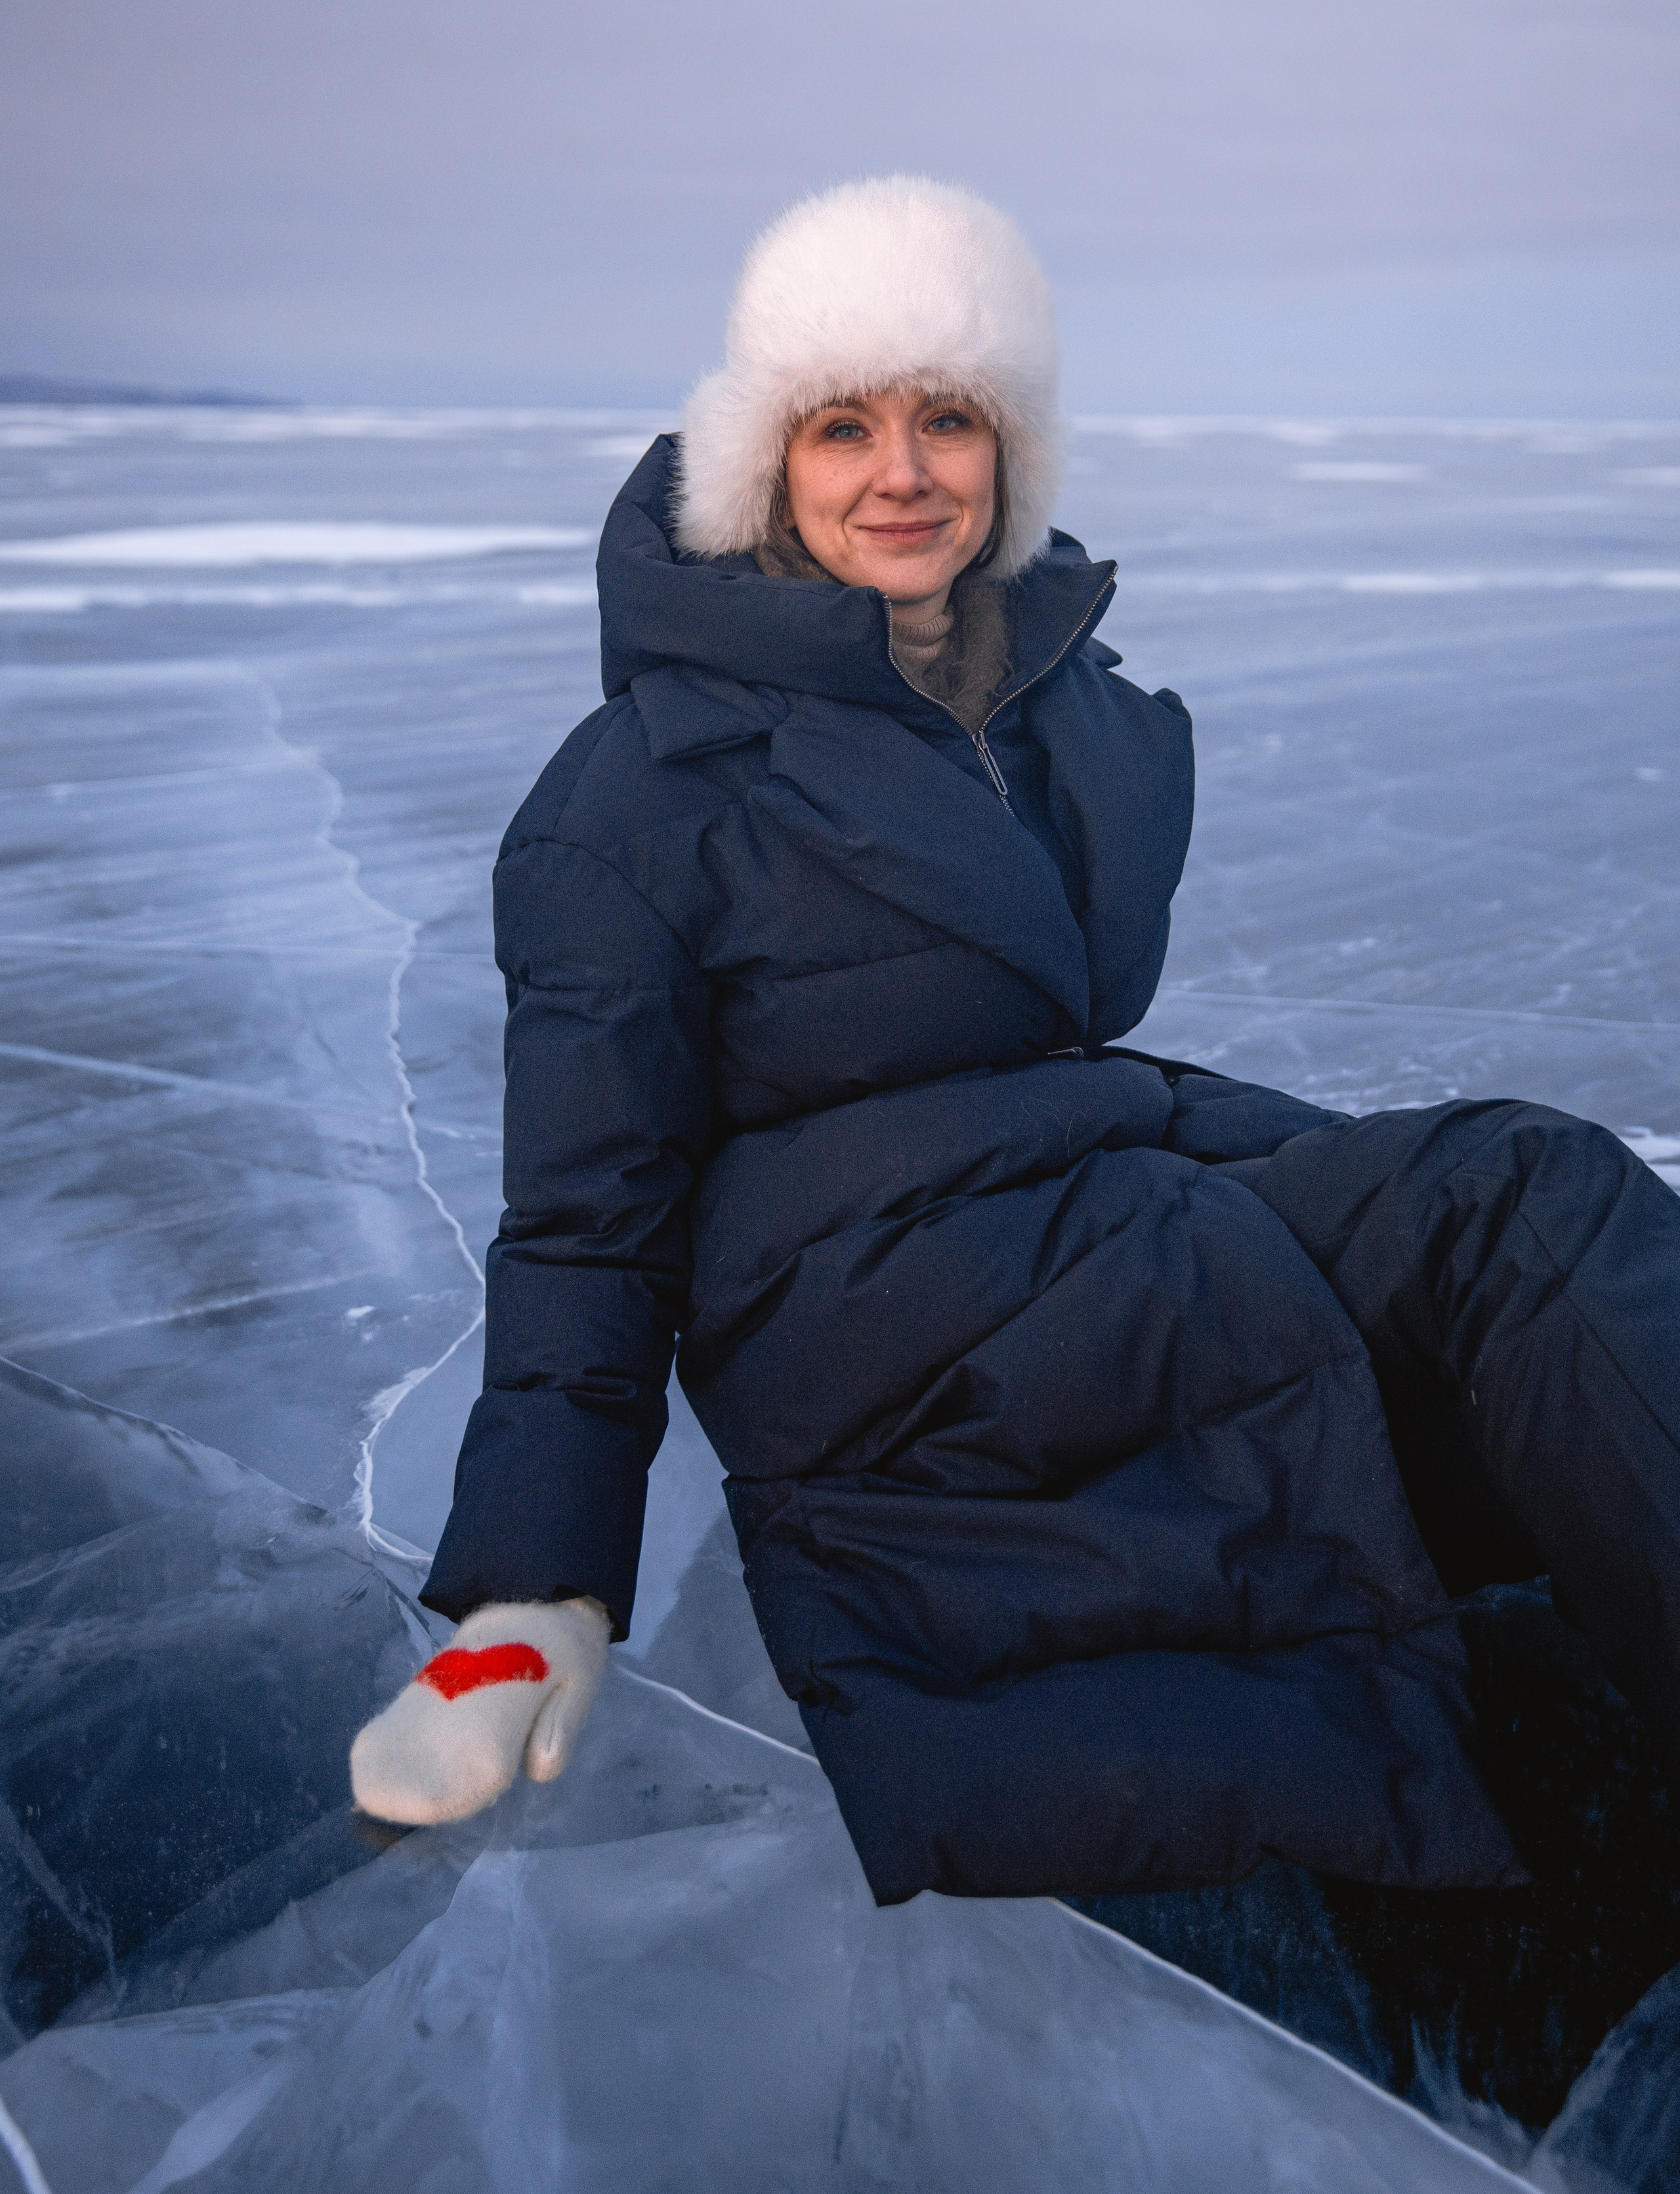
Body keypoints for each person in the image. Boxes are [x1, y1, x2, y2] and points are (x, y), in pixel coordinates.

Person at [352, 177, 1679, 1905]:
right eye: (843, 425)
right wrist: (529, 1594)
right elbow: (586, 1224)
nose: (901, 471)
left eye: (949, 418)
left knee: (1525, 1198)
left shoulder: (1027, 701)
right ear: (763, 461)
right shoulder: (639, 799)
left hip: (1093, 1182)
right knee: (1491, 1251)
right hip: (900, 1326)